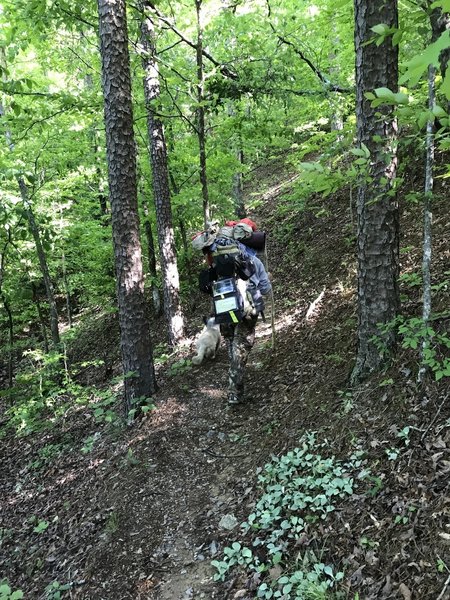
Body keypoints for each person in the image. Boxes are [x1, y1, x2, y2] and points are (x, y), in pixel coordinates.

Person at [220, 253, 271, 405]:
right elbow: (265, 288)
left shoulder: (221, 258)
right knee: (240, 347)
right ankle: (234, 392)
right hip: (246, 310)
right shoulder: (253, 260)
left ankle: (234, 380)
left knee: (231, 342)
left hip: (225, 308)